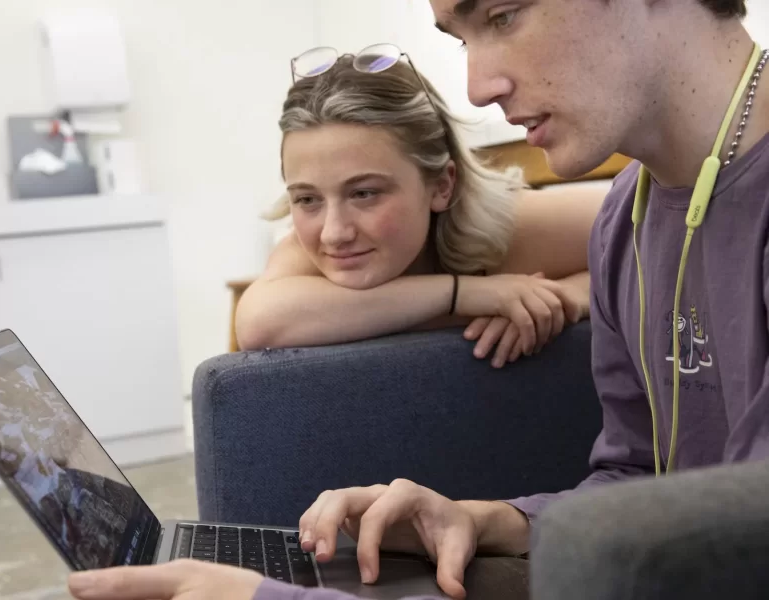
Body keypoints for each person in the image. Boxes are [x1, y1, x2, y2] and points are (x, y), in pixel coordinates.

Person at [64, 0, 769, 599]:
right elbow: (636, 485)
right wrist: (485, 521)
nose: (478, 86)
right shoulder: (630, 216)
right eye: (462, 39)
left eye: (502, 14)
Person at [234, 45, 604, 367]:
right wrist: (466, 295)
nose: (334, 233)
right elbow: (258, 322)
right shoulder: (303, 255)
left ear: (442, 185)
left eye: (364, 193)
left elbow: (658, 239)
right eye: (307, 199)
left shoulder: (509, 225)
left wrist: (565, 297)